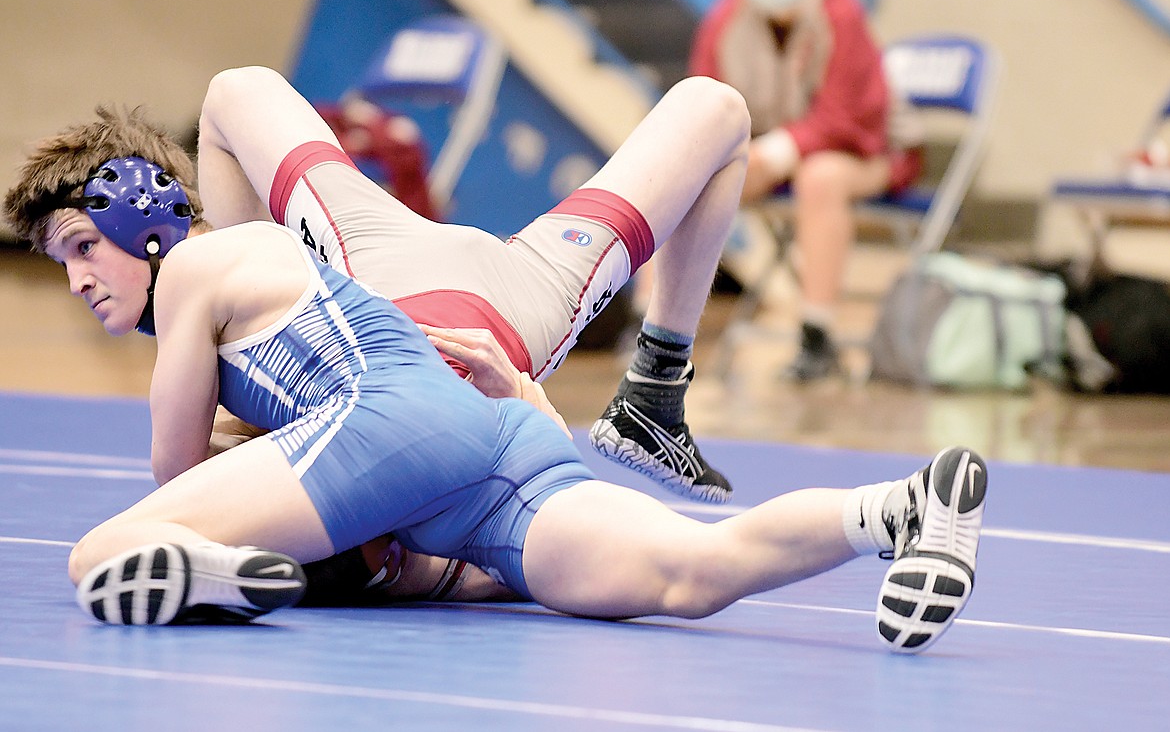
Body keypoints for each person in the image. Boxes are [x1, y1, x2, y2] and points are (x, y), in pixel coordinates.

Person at [1, 159, 987, 653]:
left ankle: (238, 578)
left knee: (101, 551)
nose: (80, 280)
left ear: (141, 216)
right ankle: (900, 508)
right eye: (60, 265)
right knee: (692, 567)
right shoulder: (257, 264)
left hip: (386, 423)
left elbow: (176, 470)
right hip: (490, 438)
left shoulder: (195, 272)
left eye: (85, 245)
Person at [195, 67, 746, 504]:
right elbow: (550, 491)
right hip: (515, 305)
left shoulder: (308, 448)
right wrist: (532, 407)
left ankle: (256, 353)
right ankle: (656, 392)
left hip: (374, 272)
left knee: (233, 92)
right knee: (718, 111)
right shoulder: (425, 501)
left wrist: (241, 407)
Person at [690, 0, 924, 380]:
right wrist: (737, 154)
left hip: (869, 151)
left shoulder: (841, 14)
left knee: (820, 177)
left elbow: (844, 123)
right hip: (775, 151)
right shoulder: (724, 19)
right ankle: (649, 330)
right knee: (688, 177)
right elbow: (703, 105)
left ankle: (817, 336)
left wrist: (775, 153)